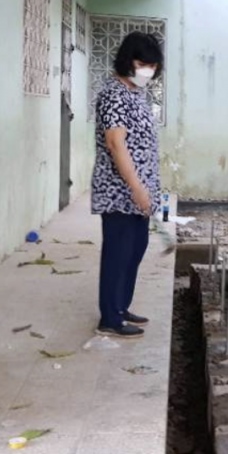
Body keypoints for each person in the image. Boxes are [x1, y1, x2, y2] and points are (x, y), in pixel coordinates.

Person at [91, 32, 164, 339]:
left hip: (138, 193)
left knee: (136, 248)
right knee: (118, 253)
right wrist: (136, 188)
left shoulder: (135, 93)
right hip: (120, 193)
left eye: (153, 66)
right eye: (143, 63)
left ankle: (121, 306)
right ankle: (109, 317)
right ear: (127, 60)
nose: (148, 70)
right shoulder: (114, 94)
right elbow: (115, 143)